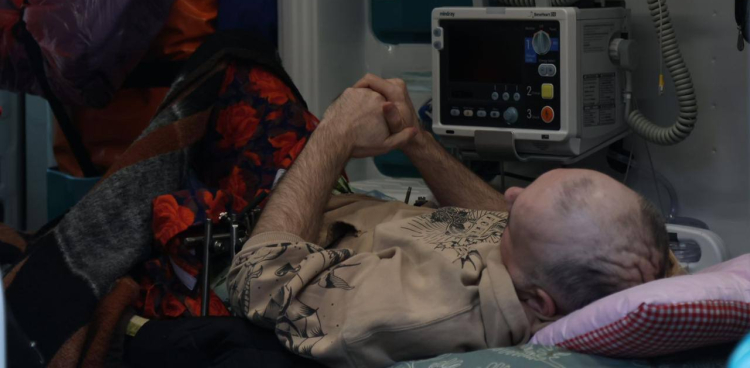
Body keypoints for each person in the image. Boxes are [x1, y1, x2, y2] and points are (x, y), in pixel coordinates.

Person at [227, 74, 670, 367]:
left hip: (268, 226)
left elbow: (258, 280)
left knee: (239, 73)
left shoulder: (421, 311)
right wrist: (414, 139)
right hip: (344, 203)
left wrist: (335, 132)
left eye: (514, 216)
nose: (509, 196)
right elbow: (523, 229)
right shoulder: (623, 262)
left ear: (540, 304)